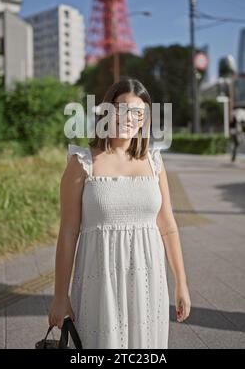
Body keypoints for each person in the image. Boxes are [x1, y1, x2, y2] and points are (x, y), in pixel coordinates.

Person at [48, 77, 191, 349]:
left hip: (149, 280)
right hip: (99, 280)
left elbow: (168, 225)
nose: (129, 118)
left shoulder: (154, 161)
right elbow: (68, 232)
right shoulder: (82, 163)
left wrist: (181, 283)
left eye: (138, 112)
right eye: (122, 109)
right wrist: (59, 295)